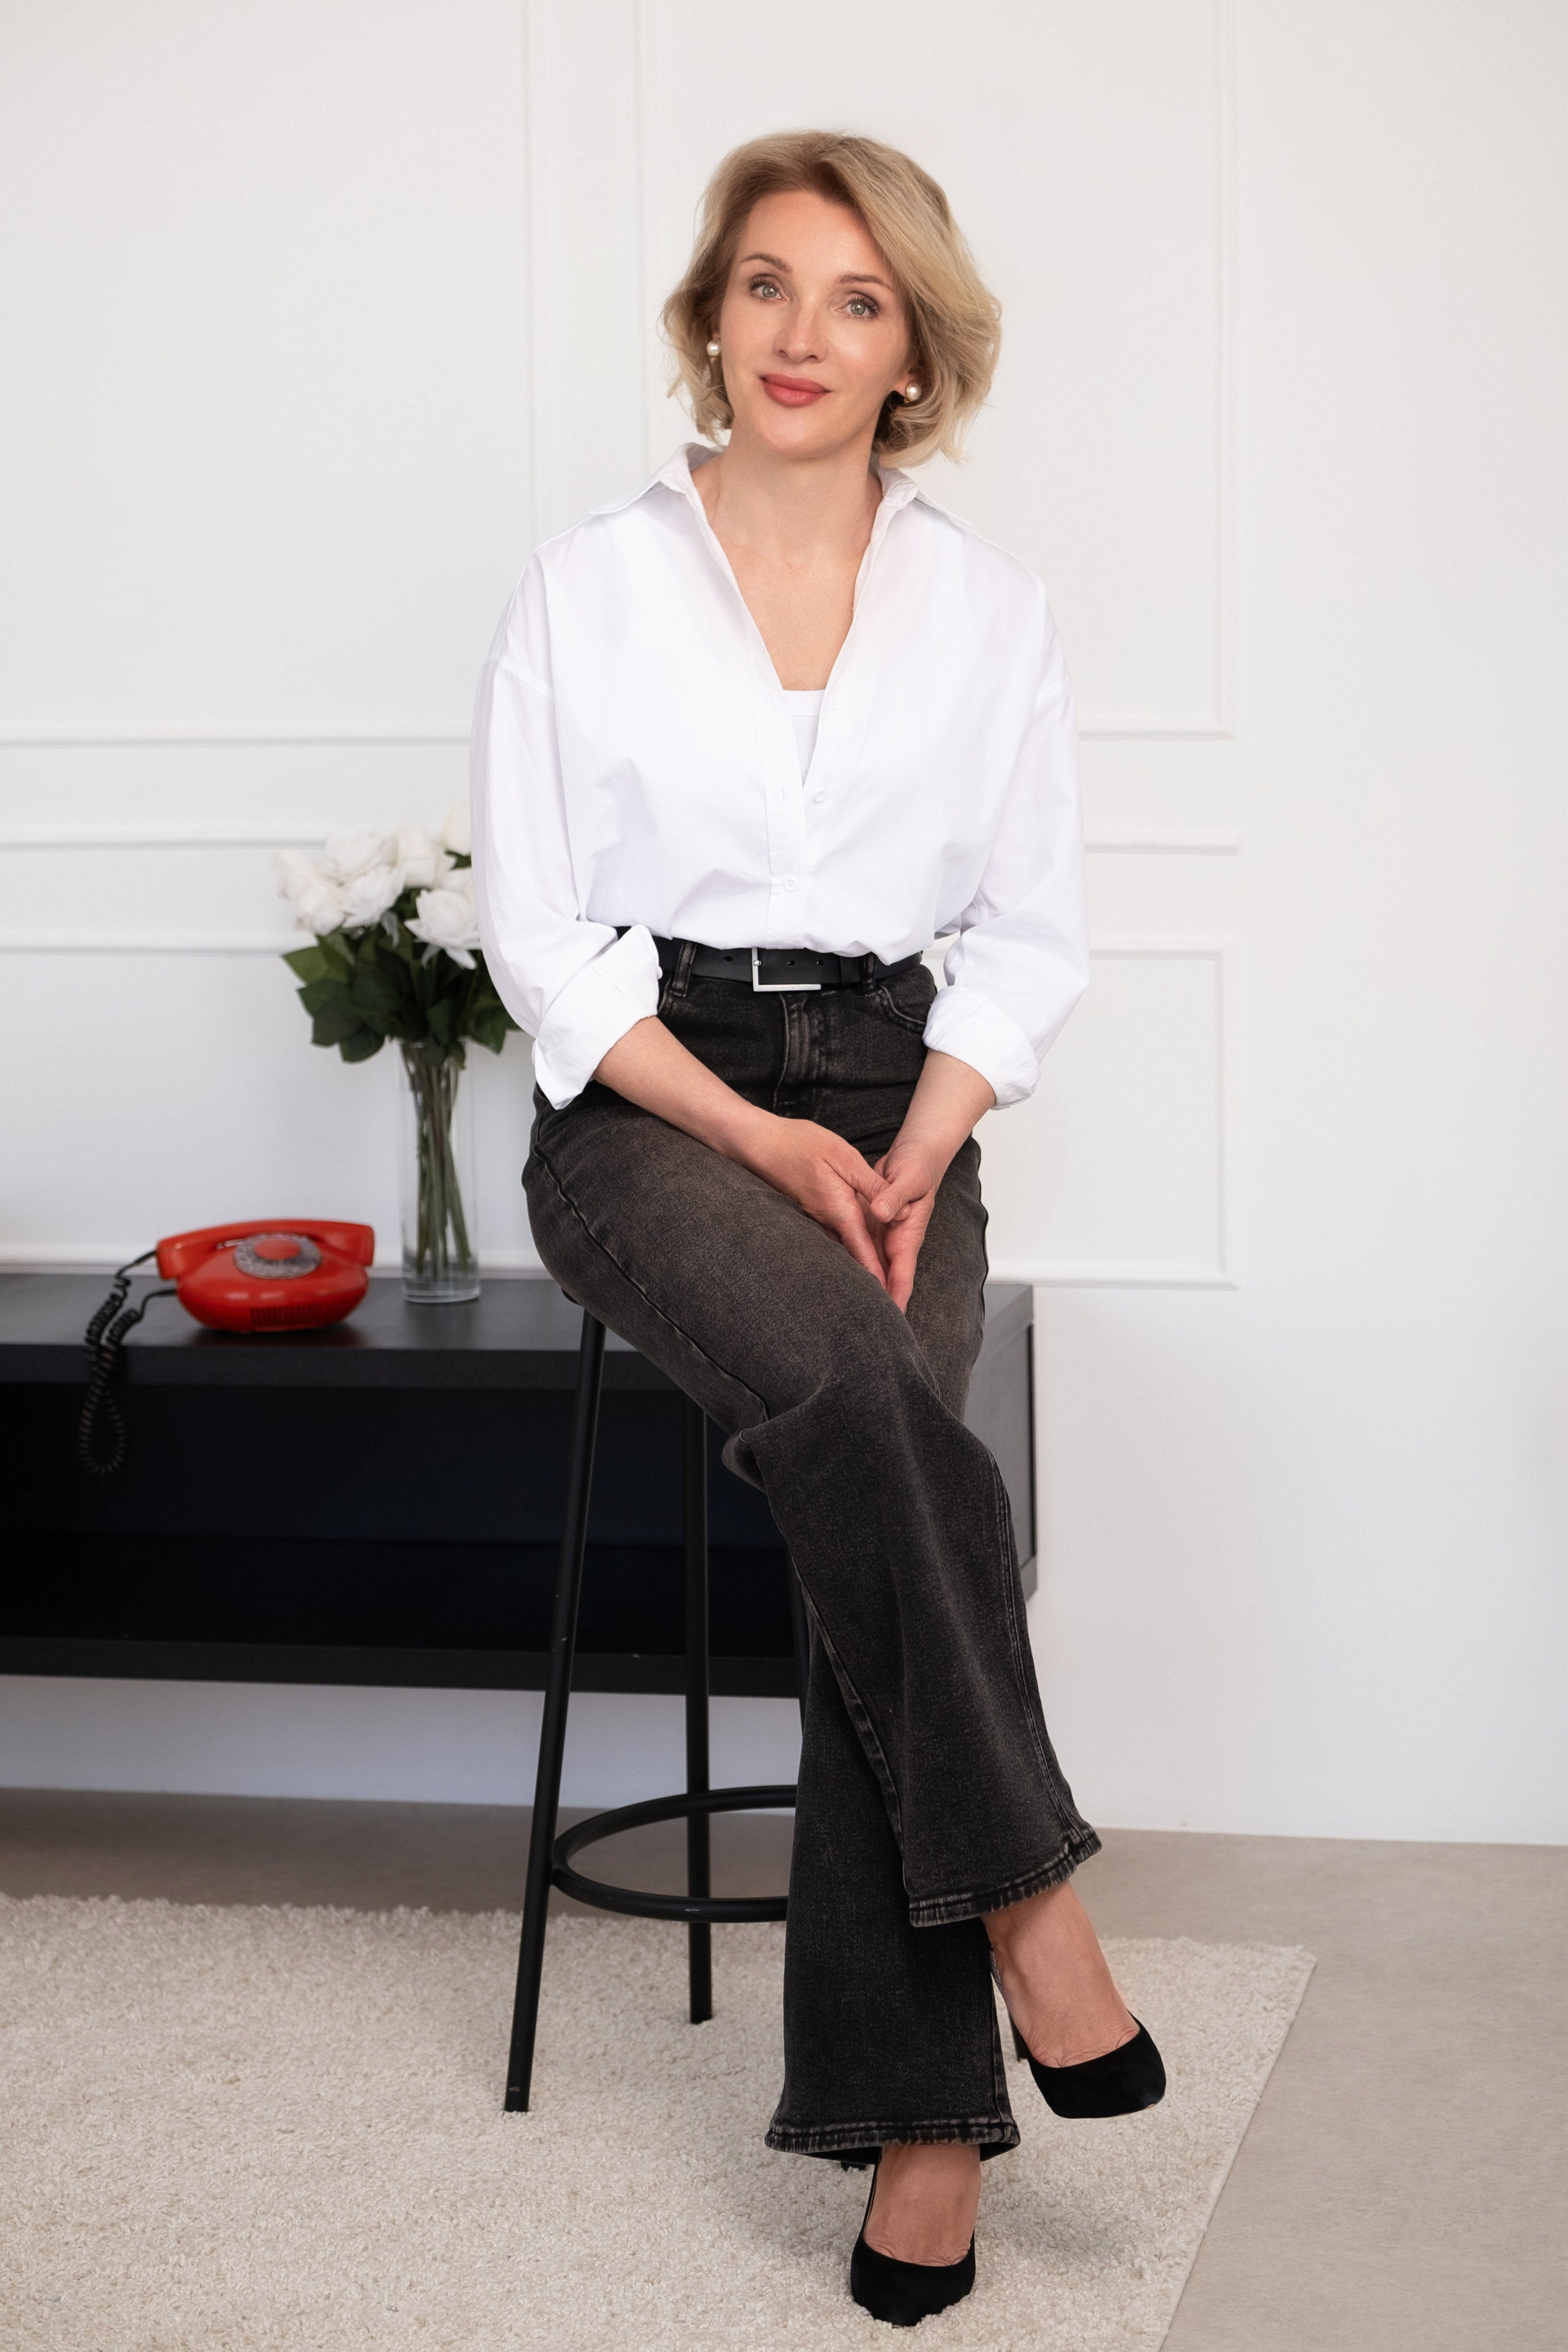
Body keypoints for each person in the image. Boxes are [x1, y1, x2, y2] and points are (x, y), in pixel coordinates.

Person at [473, 128, 1165, 2329]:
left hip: (898, 1092)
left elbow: (1027, 937)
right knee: (891, 1433)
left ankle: (927, 2125)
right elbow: (540, 939)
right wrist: (751, 1138)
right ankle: (1030, 1915)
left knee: (883, 1468)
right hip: (649, 1105)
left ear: (911, 353)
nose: (801, 334)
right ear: (712, 320)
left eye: (855, 300)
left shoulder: (991, 611)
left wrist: (925, 1137)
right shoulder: (588, 585)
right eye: (765, 286)